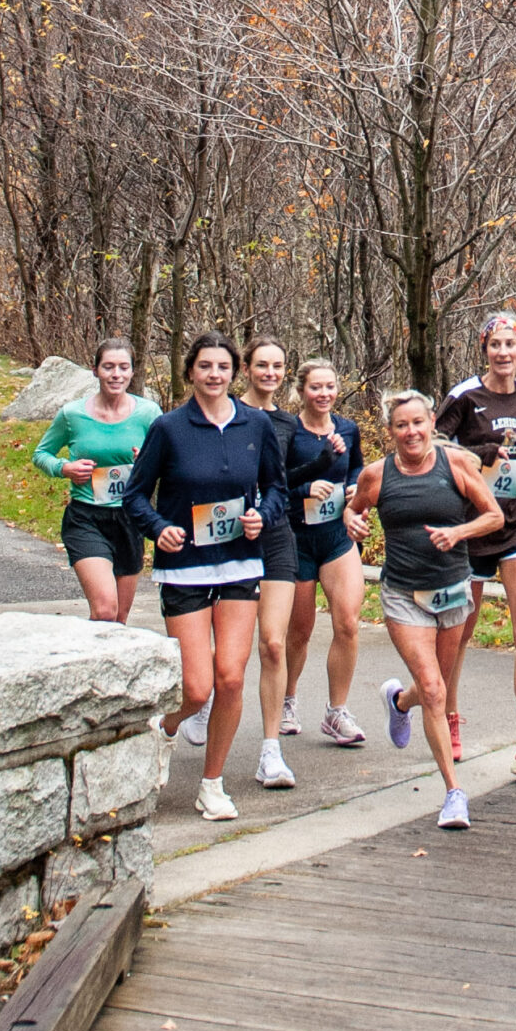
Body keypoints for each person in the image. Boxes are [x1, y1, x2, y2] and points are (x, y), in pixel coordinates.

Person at [124, 329, 286, 822]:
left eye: (222, 367)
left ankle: (211, 784)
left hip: (240, 563)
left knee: (231, 678)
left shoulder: (255, 425)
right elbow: (134, 495)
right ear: (190, 372)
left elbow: (276, 489)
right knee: (197, 689)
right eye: (205, 367)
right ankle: (166, 729)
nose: (214, 375)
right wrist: (159, 528)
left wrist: (265, 516)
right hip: (186, 568)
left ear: (233, 373)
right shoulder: (169, 428)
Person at [345, 389, 502, 830]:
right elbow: (352, 513)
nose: (411, 432)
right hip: (403, 594)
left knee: (432, 685)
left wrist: (458, 534)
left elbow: (494, 517)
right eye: (401, 425)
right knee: (435, 690)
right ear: (390, 430)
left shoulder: (456, 466)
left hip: (452, 589)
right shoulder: (376, 476)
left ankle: (398, 701)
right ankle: (454, 793)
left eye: (418, 422)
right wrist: (351, 522)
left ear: (432, 423)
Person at [436, 311, 516, 784]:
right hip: (470, 524)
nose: (503, 353)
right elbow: (435, 443)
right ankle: (447, 715)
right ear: (484, 349)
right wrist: (479, 455)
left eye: (511, 344)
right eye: (495, 345)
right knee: (461, 632)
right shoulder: (464, 396)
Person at [34, 338, 160, 624]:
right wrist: (64, 468)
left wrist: (149, 463)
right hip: (86, 518)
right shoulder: (72, 414)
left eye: (123, 367)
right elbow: (41, 454)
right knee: (104, 610)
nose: (116, 374)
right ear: (95, 370)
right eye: (108, 367)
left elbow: (170, 461)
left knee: (119, 618)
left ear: (132, 372)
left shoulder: (149, 413)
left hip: (130, 518)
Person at [281, 357, 366, 745]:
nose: (324, 394)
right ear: (301, 390)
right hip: (296, 540)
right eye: (316, 387)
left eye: (330, 387)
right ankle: (287, 698)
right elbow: (273, 483)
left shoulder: (348, 429)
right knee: (299, 631)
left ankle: (337, 711)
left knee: (347, 622)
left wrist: (353, 493)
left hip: (335, 536)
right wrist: (304, 490)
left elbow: (357, 471)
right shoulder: (287, 432)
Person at [235, 334, 303, 790]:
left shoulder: (288, 424)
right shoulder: (228, 416)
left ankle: (270, 750)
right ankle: (203, 704)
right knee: (231, 653)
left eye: (278, 367)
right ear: (246, 368)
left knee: (273, 645)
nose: (270, 374)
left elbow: (291, 482)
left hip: (276, 536)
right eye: (262, 365)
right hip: (229, 540)